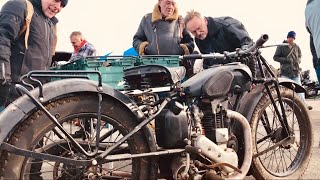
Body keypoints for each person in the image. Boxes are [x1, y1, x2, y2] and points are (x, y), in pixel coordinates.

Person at [0, 0, 68, 110]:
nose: (58, 7)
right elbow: (3, 39)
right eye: (56, 0)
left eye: (63, 5)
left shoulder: (51, 24)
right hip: (12, 92)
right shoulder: (20, 7)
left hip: (34, 93)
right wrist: (3, 78)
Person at [184, 10, 253, 68]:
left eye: (199, 28)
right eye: (194, 32)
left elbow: (248, 44)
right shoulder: (199, 40)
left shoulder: (227, 25)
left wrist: (243, 53)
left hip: (247, 68)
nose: (198, 33)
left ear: (205, 21)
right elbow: (209, 61)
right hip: (226, 74)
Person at [273, 31, 312, 110]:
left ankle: (303, 105)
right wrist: (286, 60)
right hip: (285, 72)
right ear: (287, 37)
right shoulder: (281, 46)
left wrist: (298, 60)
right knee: (286, 91)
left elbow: (300, 55)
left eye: (292, 38)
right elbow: (275, 57)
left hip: (295, 71)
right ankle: (286, 107)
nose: (291, 39)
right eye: (290, 37)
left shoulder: (296, 47)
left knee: (299, 90)